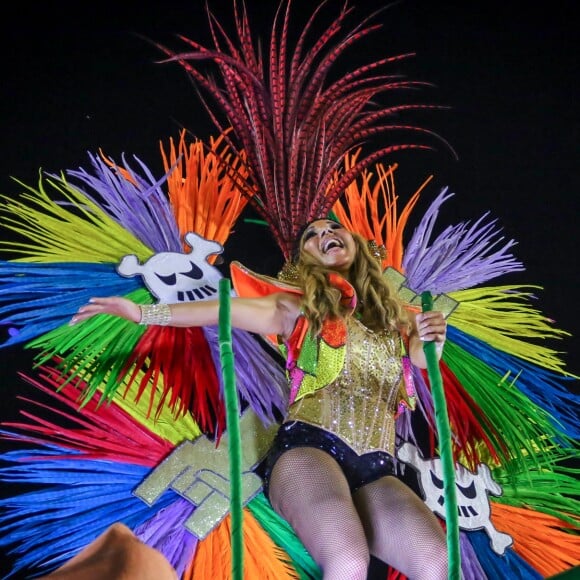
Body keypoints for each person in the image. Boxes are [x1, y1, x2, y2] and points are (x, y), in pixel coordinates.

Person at [70, 217, 449, 580]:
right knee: (348, 561)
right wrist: (141, 312)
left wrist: (433, 338)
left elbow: (420, 359)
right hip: (310, 450)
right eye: (311, 236)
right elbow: (221, 311)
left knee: (437, 565)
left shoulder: (395, 325)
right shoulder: (295, 309)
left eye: (333, 228)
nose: (325, 234)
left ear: (357, 246)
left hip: (379, 467)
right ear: (306, 261)